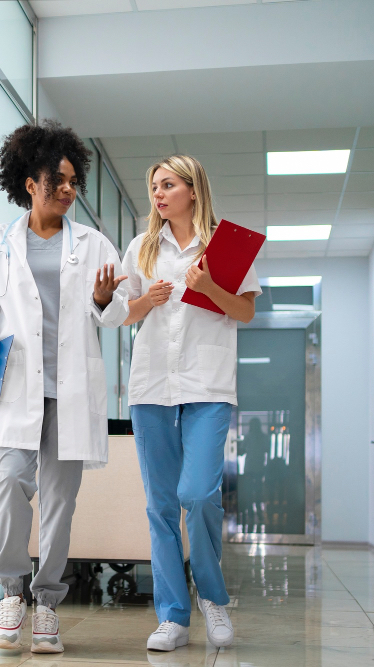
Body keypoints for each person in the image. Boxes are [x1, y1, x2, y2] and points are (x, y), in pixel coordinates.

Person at [0, 120, 129, 654]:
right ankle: (12, 594)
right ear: (30, 182)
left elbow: (116, 312)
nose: (68, 188)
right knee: (9, 484)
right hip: (16, 388)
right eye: (58, 179)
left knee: (60, 503)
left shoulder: (94, 242)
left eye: (73, 179)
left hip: (71, 390)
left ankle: (48, 606)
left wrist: (105, 300)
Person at [120, 155, 260, 651]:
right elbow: (122, 314)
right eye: (153, 185)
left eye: (168, 185)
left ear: (193, 190)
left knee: (199, 494)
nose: (158, 194)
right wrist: (146, 302)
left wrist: (210, 287)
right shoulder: (141, 248)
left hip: (207, 385)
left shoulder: (226, 244)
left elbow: (244, 310)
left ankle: (213, 599)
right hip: (152, 385)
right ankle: (173, 617)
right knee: (160, 505)